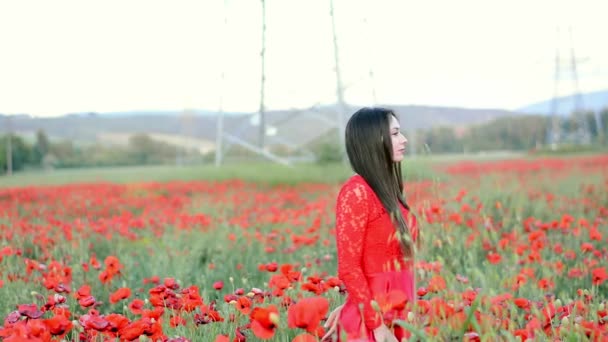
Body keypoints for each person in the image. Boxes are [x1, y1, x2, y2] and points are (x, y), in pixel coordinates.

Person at [322, 107, 420, 342]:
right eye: (395, 133)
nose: (403, 139)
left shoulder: (388, 191)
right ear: (375, 141)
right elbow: (349, 266)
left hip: (399, 310)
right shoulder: (356, 192)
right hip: (374, 322)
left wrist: (353, 303)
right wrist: (376, 326)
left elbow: (376, 260)